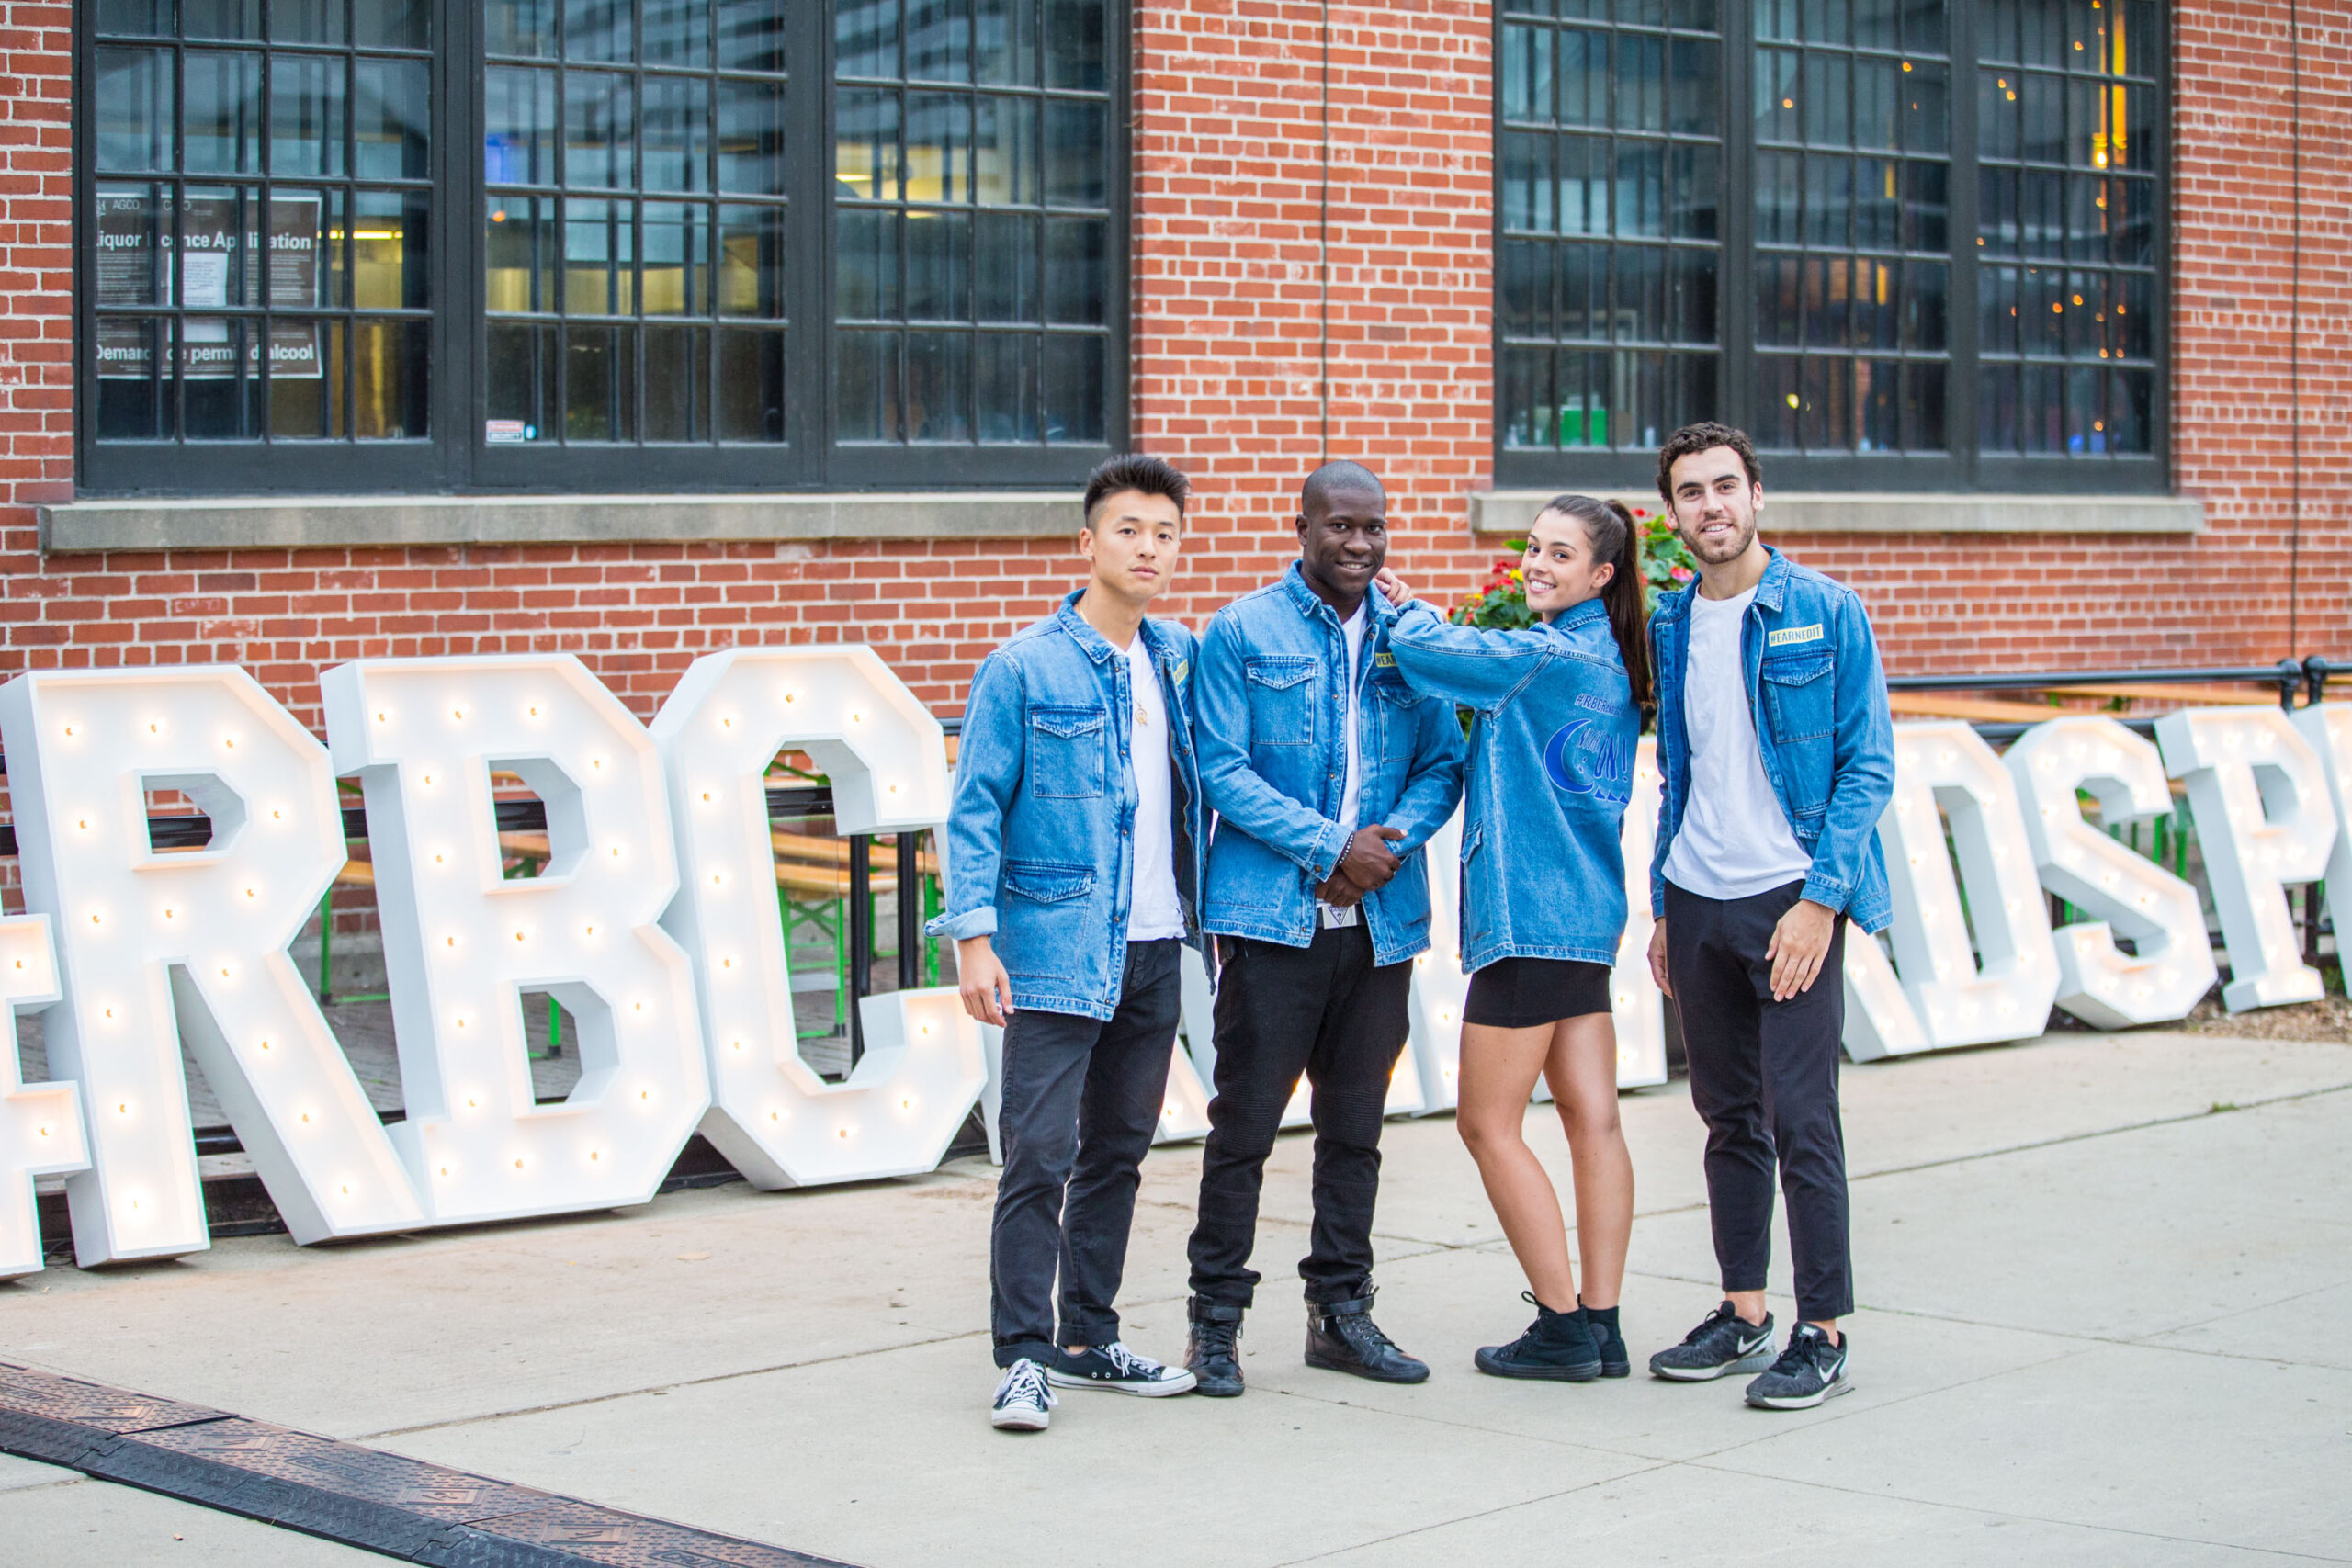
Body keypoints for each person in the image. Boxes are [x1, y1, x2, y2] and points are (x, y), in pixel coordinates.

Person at [929, 454, 1206, 1432]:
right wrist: (972, 936)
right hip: (1052, 947)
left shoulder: (1178, 659)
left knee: (1118, 1153)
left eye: (1165, 532)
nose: (1148, 547)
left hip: (1155, 943)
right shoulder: (1023, 666)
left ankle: (1088, 1338)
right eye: (1128, 529)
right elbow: (972, 814)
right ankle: (1022, 1358)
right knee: (1036, 1154)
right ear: (1087, 543)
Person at [1181, 460, 1466, 1397]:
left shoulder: (1410, 638)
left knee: (1355, 1129)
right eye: (1340, 526)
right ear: (1300, 526)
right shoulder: (1241, 631)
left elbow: (1442, 762)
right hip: (1273, 925)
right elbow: (1219, 767)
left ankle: (1340, 1315)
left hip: (1378, 929)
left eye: (1373, 528)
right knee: (1244, 1130)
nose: (1358, 543)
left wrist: (1388, 844)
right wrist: (1328, 847)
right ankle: (1214, 1325)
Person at [1640, 423, 1895, 1410]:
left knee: (1803, 1120)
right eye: (1691, 494)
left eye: (1724, 488)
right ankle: (1742, 1311)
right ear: (1673, 516)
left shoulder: (1825, 610)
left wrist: (1821, 901)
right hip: (1699, 901)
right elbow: (1681, 773)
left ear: (1757, 496)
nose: (1710, 507)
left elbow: (1864, 764)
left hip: (1790, 901)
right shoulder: (1670, 621)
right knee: (1725, 1119)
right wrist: (1667, 903)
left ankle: (1820, 1330)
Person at [1374, 494, 1647, 1382]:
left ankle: (1562, 1327)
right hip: (1586, 918)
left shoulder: (1543, 656)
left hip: (1529, 920)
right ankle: (1601, 1324)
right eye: (1531, 547)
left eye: (1559, 555)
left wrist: (1398, 602)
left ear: (1600, 576)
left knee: (1487, 1124)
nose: (1536, 565)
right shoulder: (1608, 660)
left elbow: (1429, 652)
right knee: (1591, 1120)